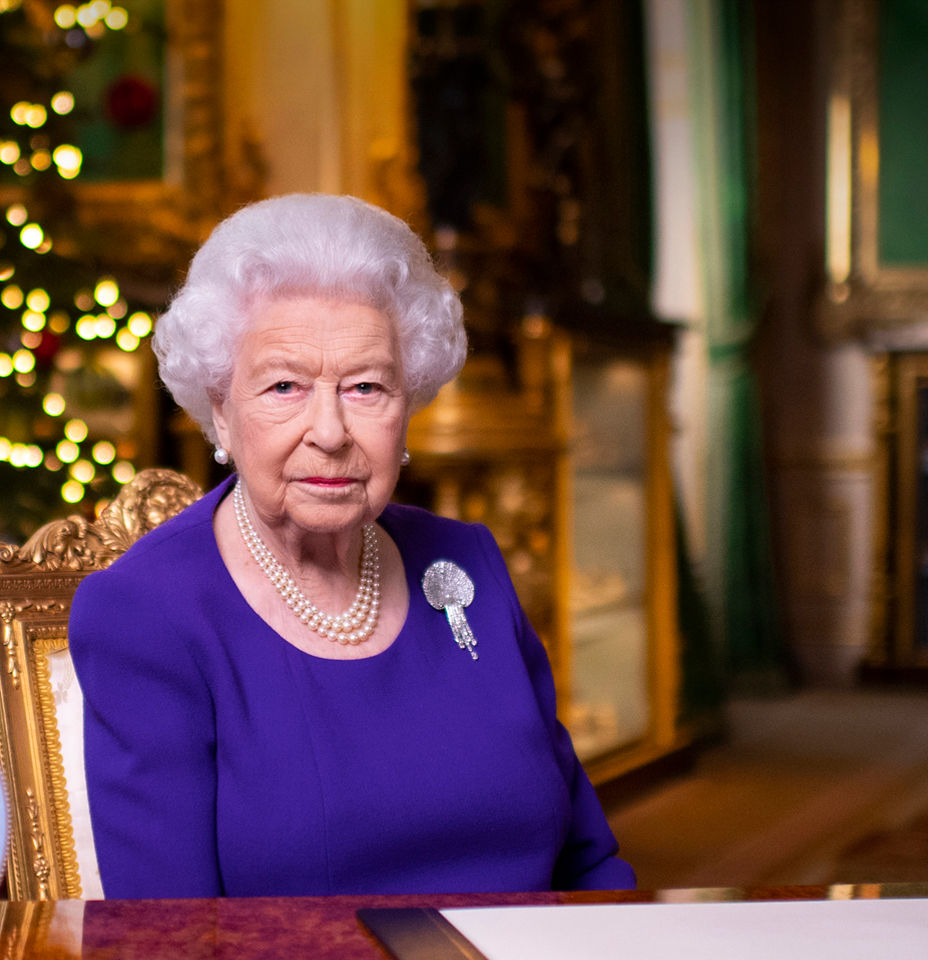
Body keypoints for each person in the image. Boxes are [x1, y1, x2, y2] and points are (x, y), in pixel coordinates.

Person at [68, 193, 635, 898]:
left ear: (408, 406)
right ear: (221, 408)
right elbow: (171, 952)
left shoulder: (468, 564)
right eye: (284, 386)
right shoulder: (147, 614)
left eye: (367, 387)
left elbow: (588, 862)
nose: (331, 431)